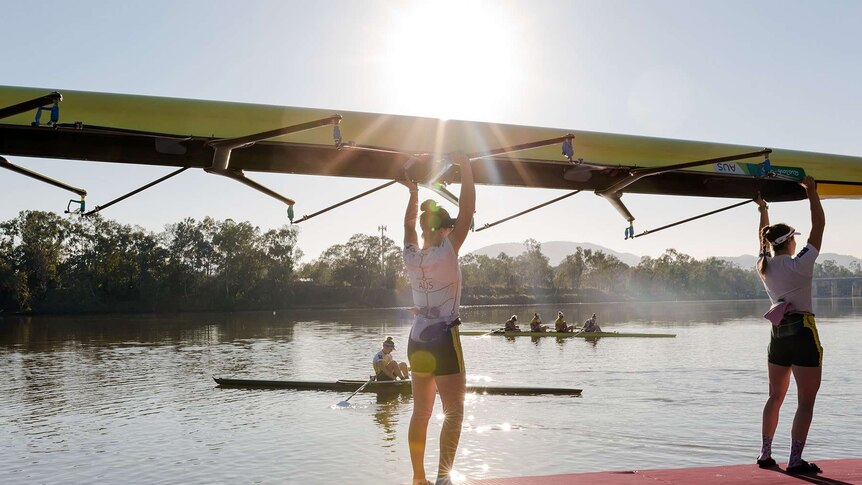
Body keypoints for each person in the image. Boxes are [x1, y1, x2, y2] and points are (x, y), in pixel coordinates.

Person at [401, 151, 475, 485]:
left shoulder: (410, 254)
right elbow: (468, 212)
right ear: (443, 231)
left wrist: (413, 194)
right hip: (444, 338)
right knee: (454, 411)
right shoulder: (448, 249)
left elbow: (407, 225)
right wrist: (467, 166)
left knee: (421, 412)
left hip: (416, 340)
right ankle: (444, 478)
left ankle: (419, 478)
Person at [754, 176, 825, 475]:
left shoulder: (765, 267)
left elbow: (762, 239)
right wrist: (812, 193)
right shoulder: (800, 264)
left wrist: (763, 210)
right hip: (803, 334)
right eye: (794, 237)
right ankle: (795, 461)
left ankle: (765, 454)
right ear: (790, 242)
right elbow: (818, 228)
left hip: (778, 336)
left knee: (775, 397)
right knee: (806, 402)